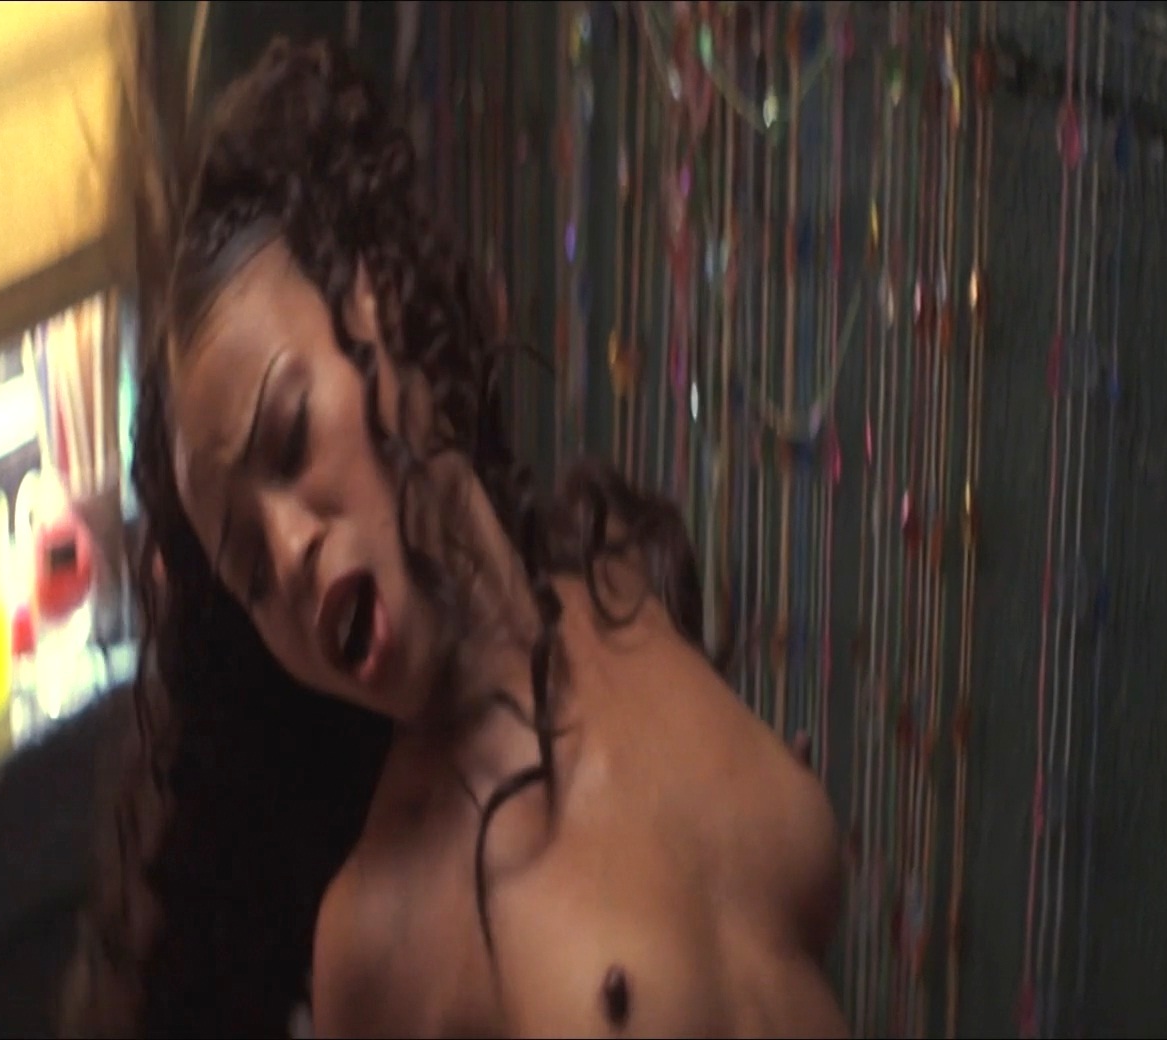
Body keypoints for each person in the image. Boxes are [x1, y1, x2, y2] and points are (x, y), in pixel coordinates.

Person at [62, 30, 848, 1039]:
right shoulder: (381, 939)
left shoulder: (632, 595)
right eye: (249, 570)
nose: (291, 551)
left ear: (381, 305)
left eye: (290, 438)